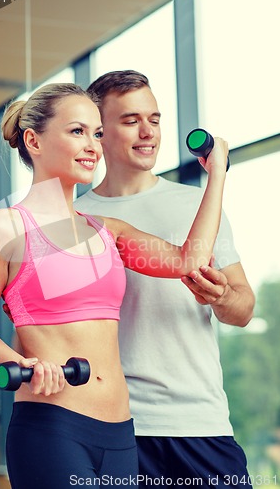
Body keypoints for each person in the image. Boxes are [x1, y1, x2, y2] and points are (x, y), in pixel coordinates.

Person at [0, 82, 228, 489]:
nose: (93, 146)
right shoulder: (6, 228)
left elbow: (188, 260)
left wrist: (217, 176)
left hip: (120, 433)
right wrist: (20, 364)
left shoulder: (106, 231)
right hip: (52, 427)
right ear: (33, 140)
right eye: (77, 131)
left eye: (97, 133)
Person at [75, 70, 255, 488]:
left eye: (154, 119)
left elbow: (243, 309)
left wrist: (221, 296)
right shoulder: (78, 219)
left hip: (199, 420)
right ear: (98, 131)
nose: (148, 132)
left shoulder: (197, 205)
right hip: (117, 424)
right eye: (130, 120)